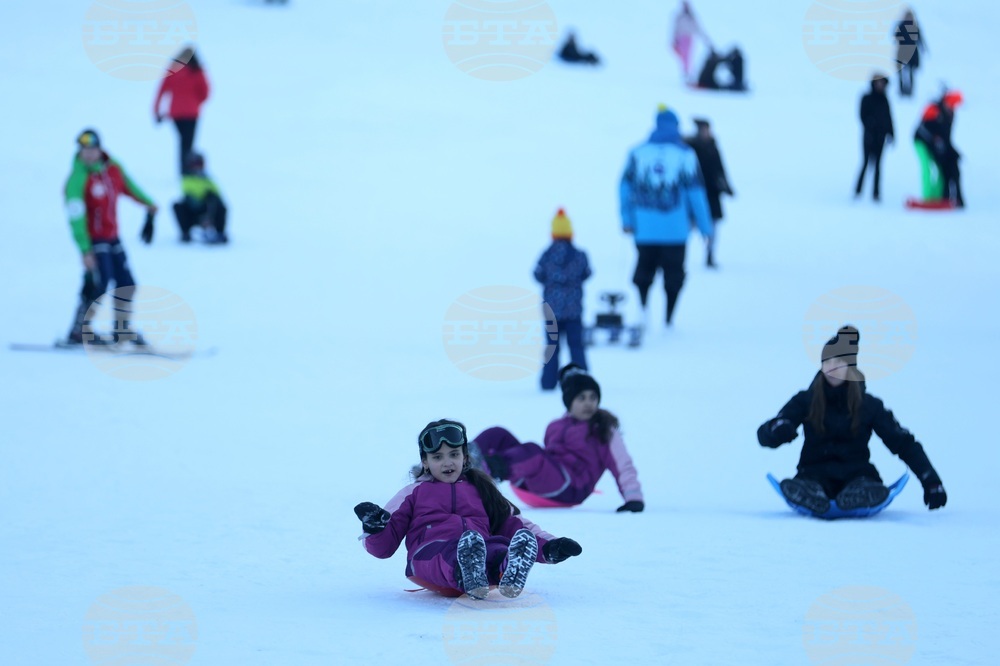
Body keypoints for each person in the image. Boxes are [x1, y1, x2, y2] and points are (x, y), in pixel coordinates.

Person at [355, 420, 582, 600]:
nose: (447, 463)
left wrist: (550, 547)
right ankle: (467, 571)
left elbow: (515, 524)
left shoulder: (482, 489)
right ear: (425, 461)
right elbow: (384, 546)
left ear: (465, 457)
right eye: (437, 457)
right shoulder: (414, 492)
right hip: (431, 553)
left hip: (479, 546)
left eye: (454, 454)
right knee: (446, 554)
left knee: (497, 547)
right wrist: (375, 528)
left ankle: (508, 569)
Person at [758, 326, 947, 514]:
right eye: (827, 361)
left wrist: (931, 481)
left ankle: (863, 493)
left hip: (856, 473)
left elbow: (903, 443)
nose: (832, 367)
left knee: (862, 481)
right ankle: (808, 492)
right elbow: (769, 431)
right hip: (814, 472)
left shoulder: (868, 405)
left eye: (839, 361)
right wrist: (776, 430)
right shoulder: (805, 400)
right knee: (811, 481)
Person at [469, 365, 645, 513]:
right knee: (498, 433)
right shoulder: (557, 425)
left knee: (534, 452)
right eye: (581, 398)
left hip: (571, 487)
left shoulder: (602, 429)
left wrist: (633, 497)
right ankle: (463, 462)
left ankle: (486, 469)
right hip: (545, 479)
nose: (588, 403)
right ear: (569, 402)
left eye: (593, 398)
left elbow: (622, 464)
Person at [620, 105, 714, 328]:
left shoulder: (637, 152)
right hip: (676, 230)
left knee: (644, 270)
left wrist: (626, 220)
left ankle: (643, 308)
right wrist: (705, 226)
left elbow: (624, 188)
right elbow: (696, 193)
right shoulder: (685, 154)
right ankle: (669, 317)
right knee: (674, 276)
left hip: (644, 229)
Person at [64, 129, 158, 345]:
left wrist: (149, 204)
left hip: (113, 237)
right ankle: (79, 331)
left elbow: (129, 187)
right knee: (99, 283)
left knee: (127, 284)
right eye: (84, 150)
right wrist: (84, 250)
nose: (88, 154)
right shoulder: (77, 179)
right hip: (94, 240)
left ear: (99, 149)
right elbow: (75, 217)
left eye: (92, 149)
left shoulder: (112, 169)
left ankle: (122, 329)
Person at [534, 208, 591, 390]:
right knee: (576, 347)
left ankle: (548, 383)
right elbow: (587, 273)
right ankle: (582, 383)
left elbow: (537, 274)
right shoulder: (579, 255)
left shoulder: (546, 255)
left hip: (552, 313)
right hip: (574, 312)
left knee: (552, 349)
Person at [153, 46, 210, 175]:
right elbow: (205, 92)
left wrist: (156, 111)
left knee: (183, 143)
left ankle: (184, 171)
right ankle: (188, 171)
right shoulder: (197, 71)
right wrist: (196, 102)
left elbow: (161, 91)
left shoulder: (173, 69)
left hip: (176, 114)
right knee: (188, 143)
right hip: (191, 113)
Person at [685, 118, 734, 267]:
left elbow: (720, 169)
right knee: (689, 225)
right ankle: (680, 254)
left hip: (712, 193)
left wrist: (726, 186)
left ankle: (709, 256)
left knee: (712, 227)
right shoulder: (690, 147)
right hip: (693, 192)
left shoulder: (713, 147)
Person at [914, 89, 963, 207]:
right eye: (951, 104)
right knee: (927, 168)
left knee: (941, 169)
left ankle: (937, 197)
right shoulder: (933, 109)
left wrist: (951, 150)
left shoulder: (950, 115)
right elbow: (923, 129)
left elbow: (946, 137)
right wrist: (934, 139)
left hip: (935, 146)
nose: (952, 107)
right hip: (921, 143)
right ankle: (927, 198)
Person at [854, 73, 894, 202]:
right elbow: (862, 116)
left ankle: (876, 193)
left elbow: (889, 118)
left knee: (878, 166)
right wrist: (870, 127)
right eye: (878, 83)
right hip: (868, 137)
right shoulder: (866, 98)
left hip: (881, 137)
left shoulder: (885, 99)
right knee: (865, 163)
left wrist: (891, 133)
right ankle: (858, 191)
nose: (880, 86)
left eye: (882, 83)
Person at [173, 152, 228, 243]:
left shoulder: (208, 179)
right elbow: (189, 196)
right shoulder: (187, 179)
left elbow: (217, 194)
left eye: (199, 164)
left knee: (218, 204)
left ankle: (220, 233)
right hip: (194, 211)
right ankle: (185, 233)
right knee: (178, 206)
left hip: (210, 210)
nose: (197, 167)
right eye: (194, 164)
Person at [671, 1, 711, 83]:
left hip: (689, 39)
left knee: (688, 56)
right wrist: (674, 39)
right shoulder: (680, 17)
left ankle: (688, 72)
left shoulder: (691, 17)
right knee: (683, 57)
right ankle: (685, 72)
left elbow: (698, 28)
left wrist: (706, 40)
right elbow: (675, 28)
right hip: (681, 38)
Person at [894, 9, 926, 97]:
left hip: (912, 52)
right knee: (901, 72)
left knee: (911, 71)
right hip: (903, 51)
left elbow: (920, 38)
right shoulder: (902, 26)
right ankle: (901, 89)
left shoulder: (914, 26)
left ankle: (910, 90)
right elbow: (896, 36)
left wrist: (923, 48)